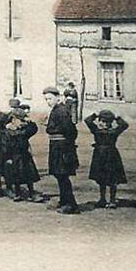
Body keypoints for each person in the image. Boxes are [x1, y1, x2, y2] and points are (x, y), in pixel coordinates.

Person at [44, 86, 79, 214]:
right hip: (56, 146)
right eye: (46, 99)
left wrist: (67, 148)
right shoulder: (56, 110)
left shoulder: (61, 111)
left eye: (50, 98)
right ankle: (64, 200)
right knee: (59, 175)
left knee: (63, 176)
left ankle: (71, 205)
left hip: (62, 148)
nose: (48, 101)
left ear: (57, 97)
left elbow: (70, 131)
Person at [84, 110, 129, 209]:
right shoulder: (113, 131)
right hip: (109, 155)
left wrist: (94, 115)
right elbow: (124, 125)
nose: (102, 123)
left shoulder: (97, 131)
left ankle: (109, 200)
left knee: (110, 179)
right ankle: (105, 199)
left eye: (105, 121)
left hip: (104, 156)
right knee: (103, 179)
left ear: (109, 123)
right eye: (101, 121)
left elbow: (88, 121)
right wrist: (117, 118)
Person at [2, 105, 42, 202]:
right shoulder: (7, 132)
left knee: (29, 175)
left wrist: (29, 122)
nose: (22, 122)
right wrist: (8, 158)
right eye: (20, 120)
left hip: (25, 154)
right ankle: (17, 193)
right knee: (15, 175)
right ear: (13, 119)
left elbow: (34, 129)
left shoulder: (24, 130)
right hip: (13, 156)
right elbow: (4, 146)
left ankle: (31, 192)